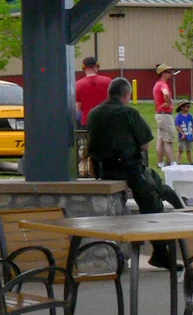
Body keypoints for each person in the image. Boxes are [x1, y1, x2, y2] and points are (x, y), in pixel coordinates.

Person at [86, 77, 182, 269]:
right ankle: (163, 247)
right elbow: (145, 145)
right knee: (152, 199)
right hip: (129, 168)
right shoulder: (129, 112)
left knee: (155, 185)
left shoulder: (94, 113)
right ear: (127, 94)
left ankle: (176, 211)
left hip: (103, 169)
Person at [75, 56, 112, 126]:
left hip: (87, 121)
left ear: (84, 68)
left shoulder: (78, 84)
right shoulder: (108, 81)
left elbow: (78, 107)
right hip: (107, 119)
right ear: (96, 67)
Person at [152, 63, 177, 167]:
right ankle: (172, 162)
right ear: (162, 73)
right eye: (168, 72)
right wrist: (167, 102)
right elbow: (166, 93)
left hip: (159, 114)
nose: (171, 74)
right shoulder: (162, 84)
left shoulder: (157, 84)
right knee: (168, 140)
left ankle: (160, 163)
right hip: (165, 114)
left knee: (161, 139)